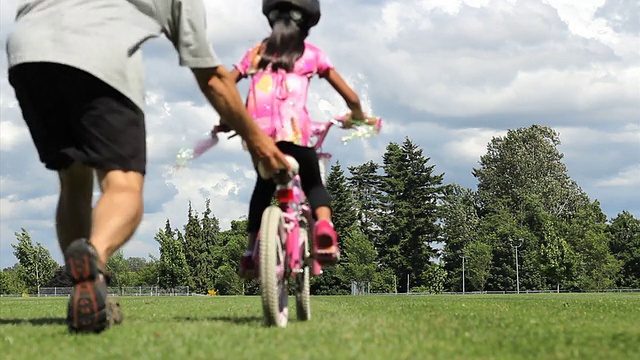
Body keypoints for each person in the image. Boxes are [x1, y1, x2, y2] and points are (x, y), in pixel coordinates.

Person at [5, 0, 290, 333]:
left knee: (73, 179)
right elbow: (212, 78)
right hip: (99, 53)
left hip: (27, 51)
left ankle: (85, 288)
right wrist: (259, 141)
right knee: (123, 184)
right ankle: (92, 262)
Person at [219, 0, 378, 278]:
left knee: (262, 188)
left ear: (271, 20)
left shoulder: (255, 54)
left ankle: (248, 253)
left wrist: (226, 118)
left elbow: (225, 86)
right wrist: (358, 115)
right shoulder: (311, 55)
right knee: (313, 182)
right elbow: (351, 97)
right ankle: (325, 228)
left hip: (260, 140)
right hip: (296, 136)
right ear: (306, 25)